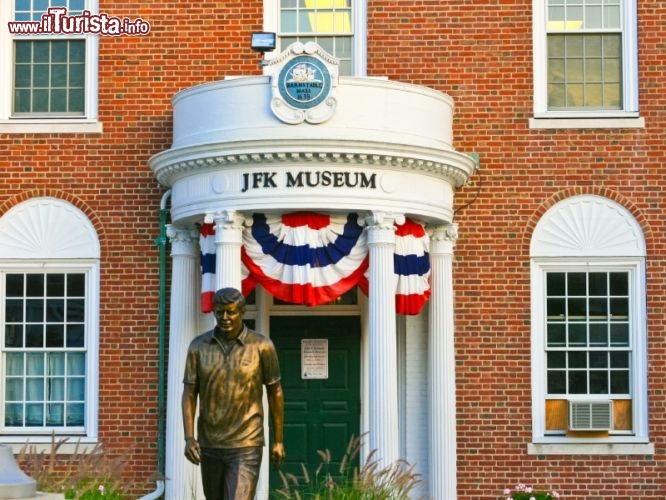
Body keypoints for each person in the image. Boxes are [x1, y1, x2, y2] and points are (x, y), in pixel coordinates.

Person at [182, 287, 285, 500]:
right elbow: (190, 393)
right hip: (210, 443)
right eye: (220, 312)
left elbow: (275, 392)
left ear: (242, 312)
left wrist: (278, 440)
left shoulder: (262, 346)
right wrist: (189, 437)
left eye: (231, 312)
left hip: (247, 442)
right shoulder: (198, 347)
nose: (225, 317)